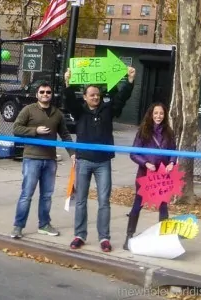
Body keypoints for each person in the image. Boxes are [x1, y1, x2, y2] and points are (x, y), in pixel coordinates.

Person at [64, 66, 136, 252]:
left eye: (97, 94)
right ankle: (79, 235)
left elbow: (121, 99)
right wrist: (67, 83)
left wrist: (129, 81)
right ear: (86, 97)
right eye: (91, 95)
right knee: (81, 200)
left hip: (103, 162)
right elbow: (69, 100)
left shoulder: (107, 110)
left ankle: (104, 237)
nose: (95, 97)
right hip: (84, 161)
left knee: (104, 201)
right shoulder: (80, 112)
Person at [10, 82, 74, 239]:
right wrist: (34, 130)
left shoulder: (57, 113)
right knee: (27, 194)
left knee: (47, 195)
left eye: (48, 92)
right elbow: (16, 129)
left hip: (50, 160)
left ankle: (44, 224)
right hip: (32, 158)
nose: (45, 94)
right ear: (37, 94)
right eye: (42, 92)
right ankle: (18, 226)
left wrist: (72, 153)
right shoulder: (28, 110)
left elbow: (65, 134)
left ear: (52, 94)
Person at [123, 102, 177, 250]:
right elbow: (134, 153)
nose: (158, 116)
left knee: (163, 206)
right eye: (155, 113)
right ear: (151, 115)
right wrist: (146, 163)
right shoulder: (143, 131)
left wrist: (172, 163)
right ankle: (129, 236)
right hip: (145, 175)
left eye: (161, 113)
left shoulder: (169, 132)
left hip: (162, 176)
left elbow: (173, 150)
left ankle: (164, 239)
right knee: (137, 205)